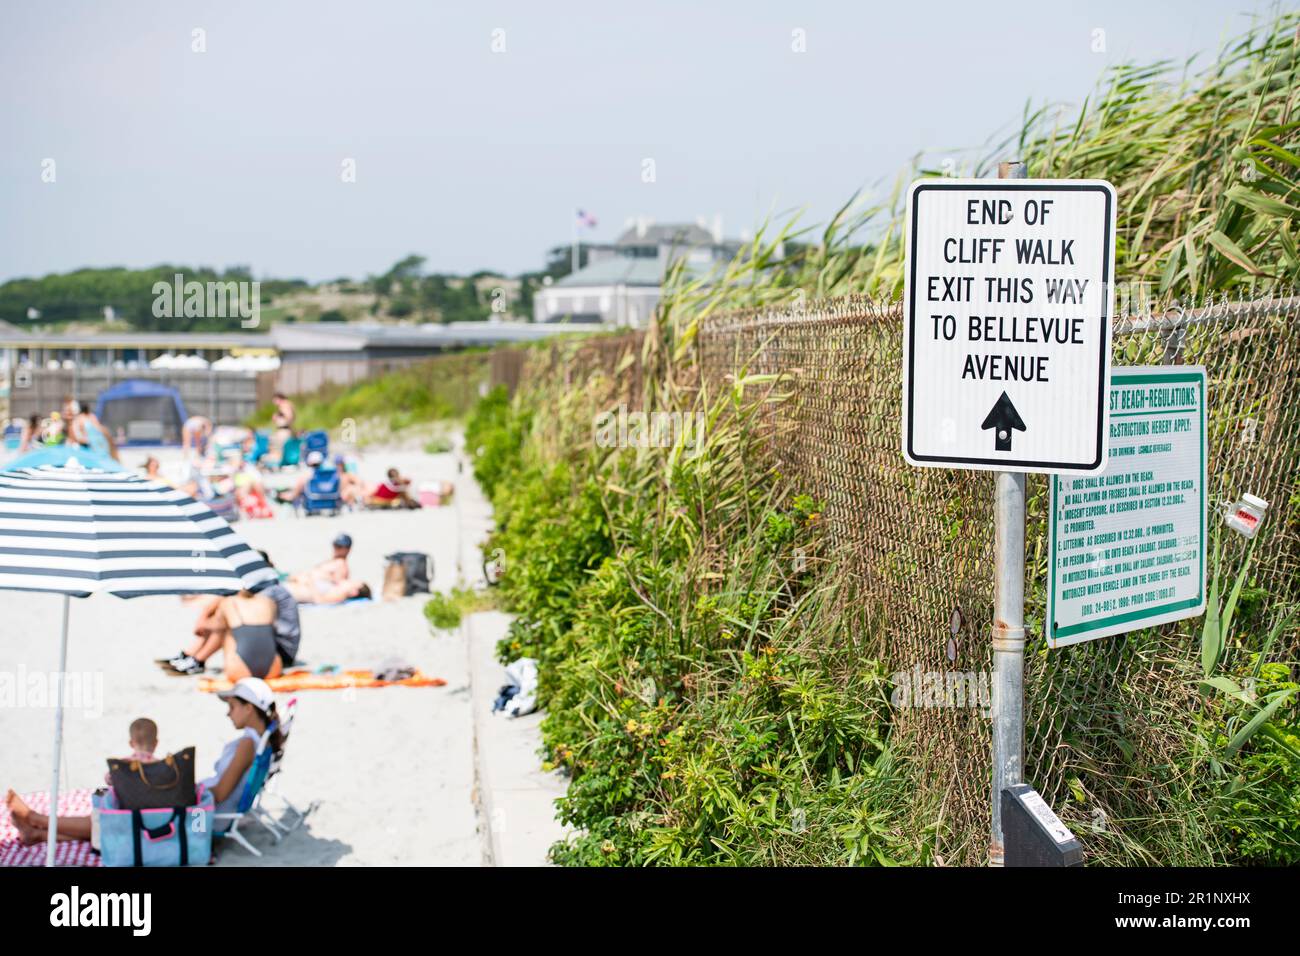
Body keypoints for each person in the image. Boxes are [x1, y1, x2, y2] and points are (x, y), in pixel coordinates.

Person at [4, 678, 282, 844]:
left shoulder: (248, 744)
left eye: (232, 707)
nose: (228, 713)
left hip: (204, 819)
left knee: (123, 820)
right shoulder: (258, 740)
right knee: (127, 823)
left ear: (249, 708)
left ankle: (37, 819)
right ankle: (38, 834)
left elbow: (220, 793)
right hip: (203, 809)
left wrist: (180, 787)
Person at [159, 589, 282, 679]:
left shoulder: (229, 602)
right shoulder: (269, 602)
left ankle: (196, 659)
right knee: (237, 629)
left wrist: (202, 621)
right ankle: (193, 658)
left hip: (240, 671)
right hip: (274, 669)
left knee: (226, 630)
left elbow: (212, 627)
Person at [287, 533, 352, 599]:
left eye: (339, 546)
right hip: (301, 584)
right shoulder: (331, 562)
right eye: (335, 545)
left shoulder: (341, 565)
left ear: (348, 549)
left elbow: (339, 586)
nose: (335, 548)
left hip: (308, 588)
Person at [103, 718, 159, 785]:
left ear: (131, 743)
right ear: (156, 743)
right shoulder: (158, 765)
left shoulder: (123, 764)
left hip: (127, 795)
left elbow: (108, 779)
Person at [286, 577, 371, 605]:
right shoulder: (334, 586)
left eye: (353, 583)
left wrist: (310, 583)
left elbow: (319, 601)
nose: (350, 581)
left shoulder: (340, 595)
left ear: (353, 592)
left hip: (291, 592)